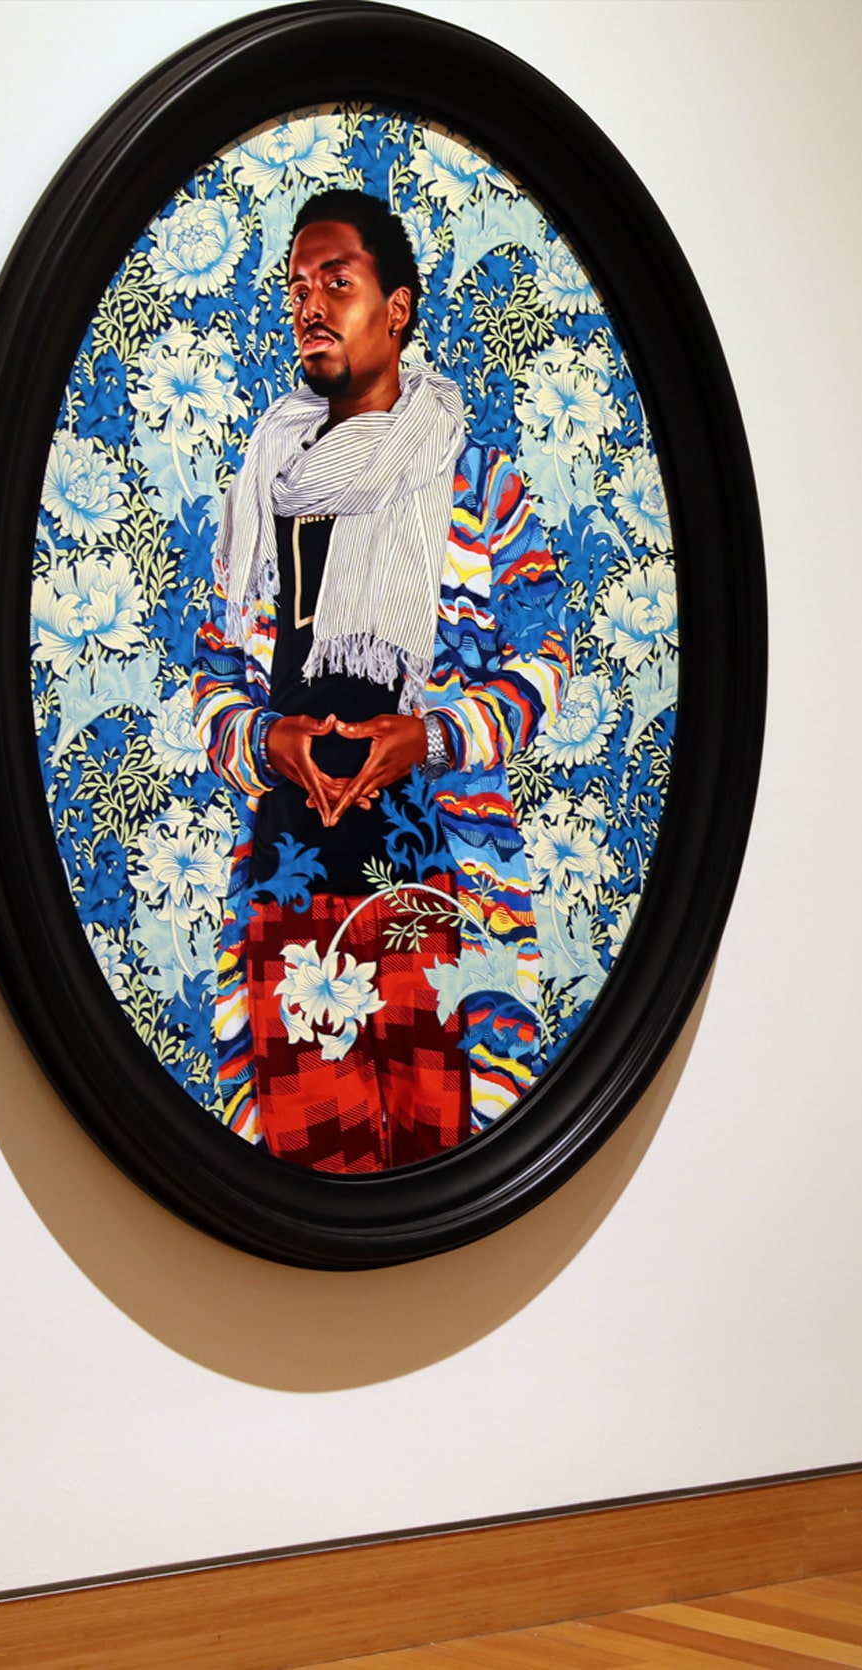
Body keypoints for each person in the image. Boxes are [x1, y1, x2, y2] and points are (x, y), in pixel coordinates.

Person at [191, 188, 570, 1172]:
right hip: (292, 891)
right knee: (317, 1188)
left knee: (439, 1178)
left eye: (337, 281)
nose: (310, 305)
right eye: (297, 285)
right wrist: (267, 741)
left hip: (435, 891)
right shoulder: (265, 481)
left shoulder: (477, 485)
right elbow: (214, 675)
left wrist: (429, 737)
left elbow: (545, 660)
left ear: (396, 307)